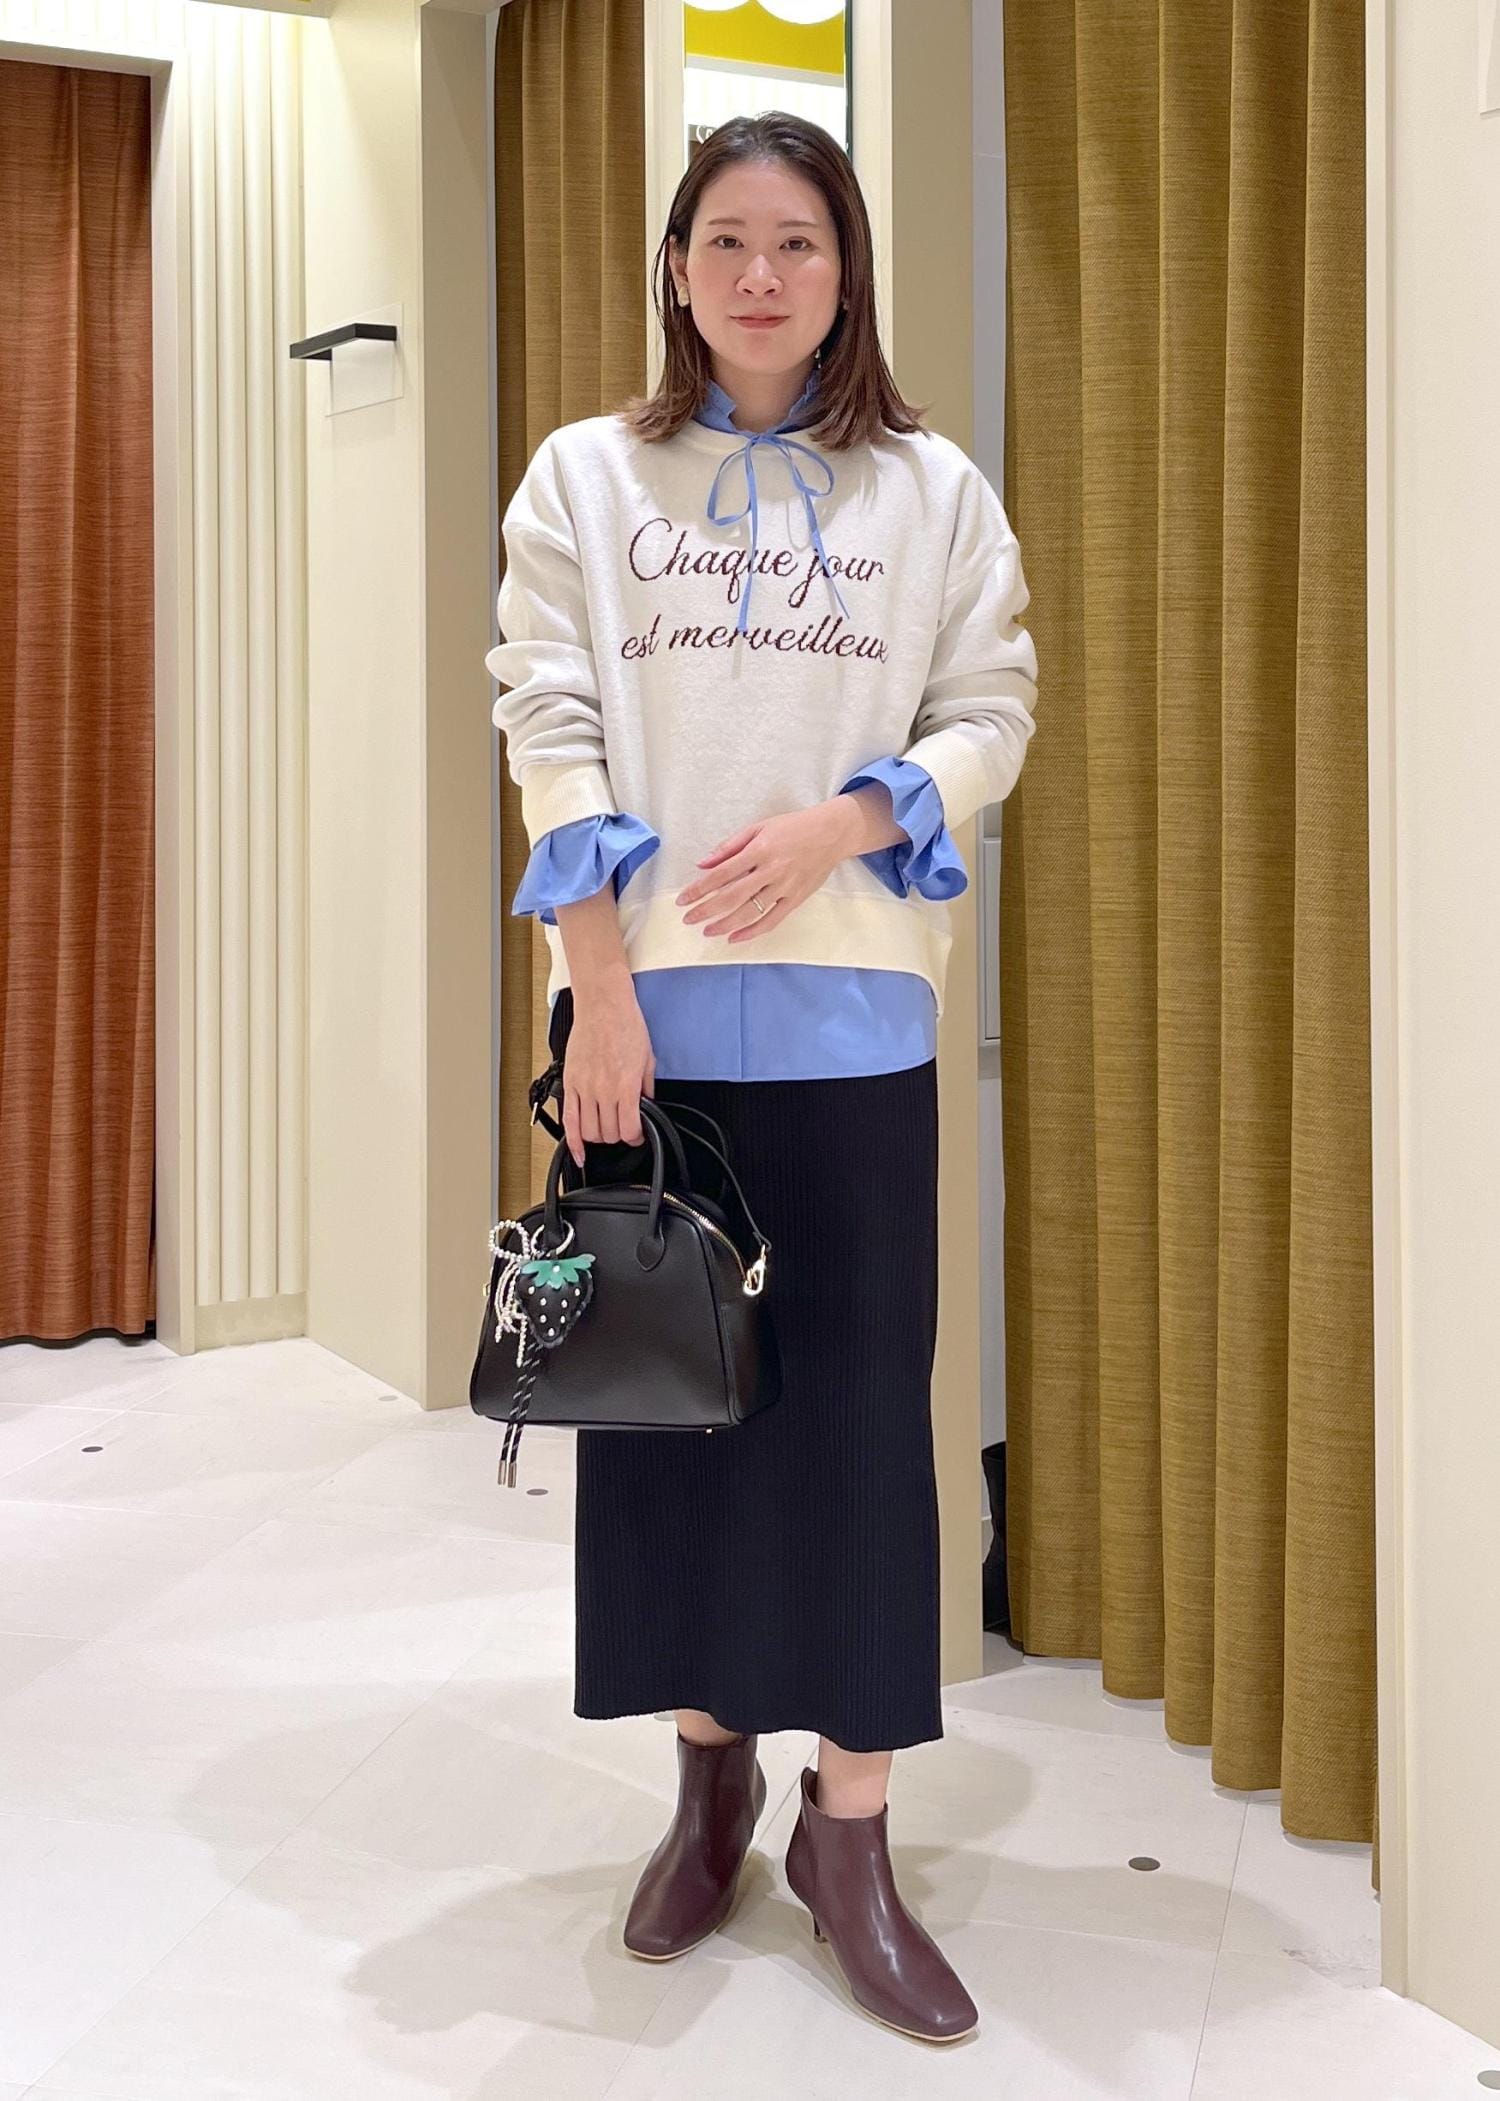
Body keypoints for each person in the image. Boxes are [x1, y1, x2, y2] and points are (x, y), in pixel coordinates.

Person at [487, 110, 1038, 2046]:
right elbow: (547, 714)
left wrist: (845, 820)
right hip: (647, 1031)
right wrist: (597, 987)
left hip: (859, 1026)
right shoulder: (586, 478)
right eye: (724, 238)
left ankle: (850, 1834)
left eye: (797, 240)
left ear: (846, 266)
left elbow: (993, 704)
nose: (760, 275)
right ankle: (709, 1784)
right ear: (675, 265)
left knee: (864, 1431)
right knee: (672, 1422)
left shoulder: (930, 491)